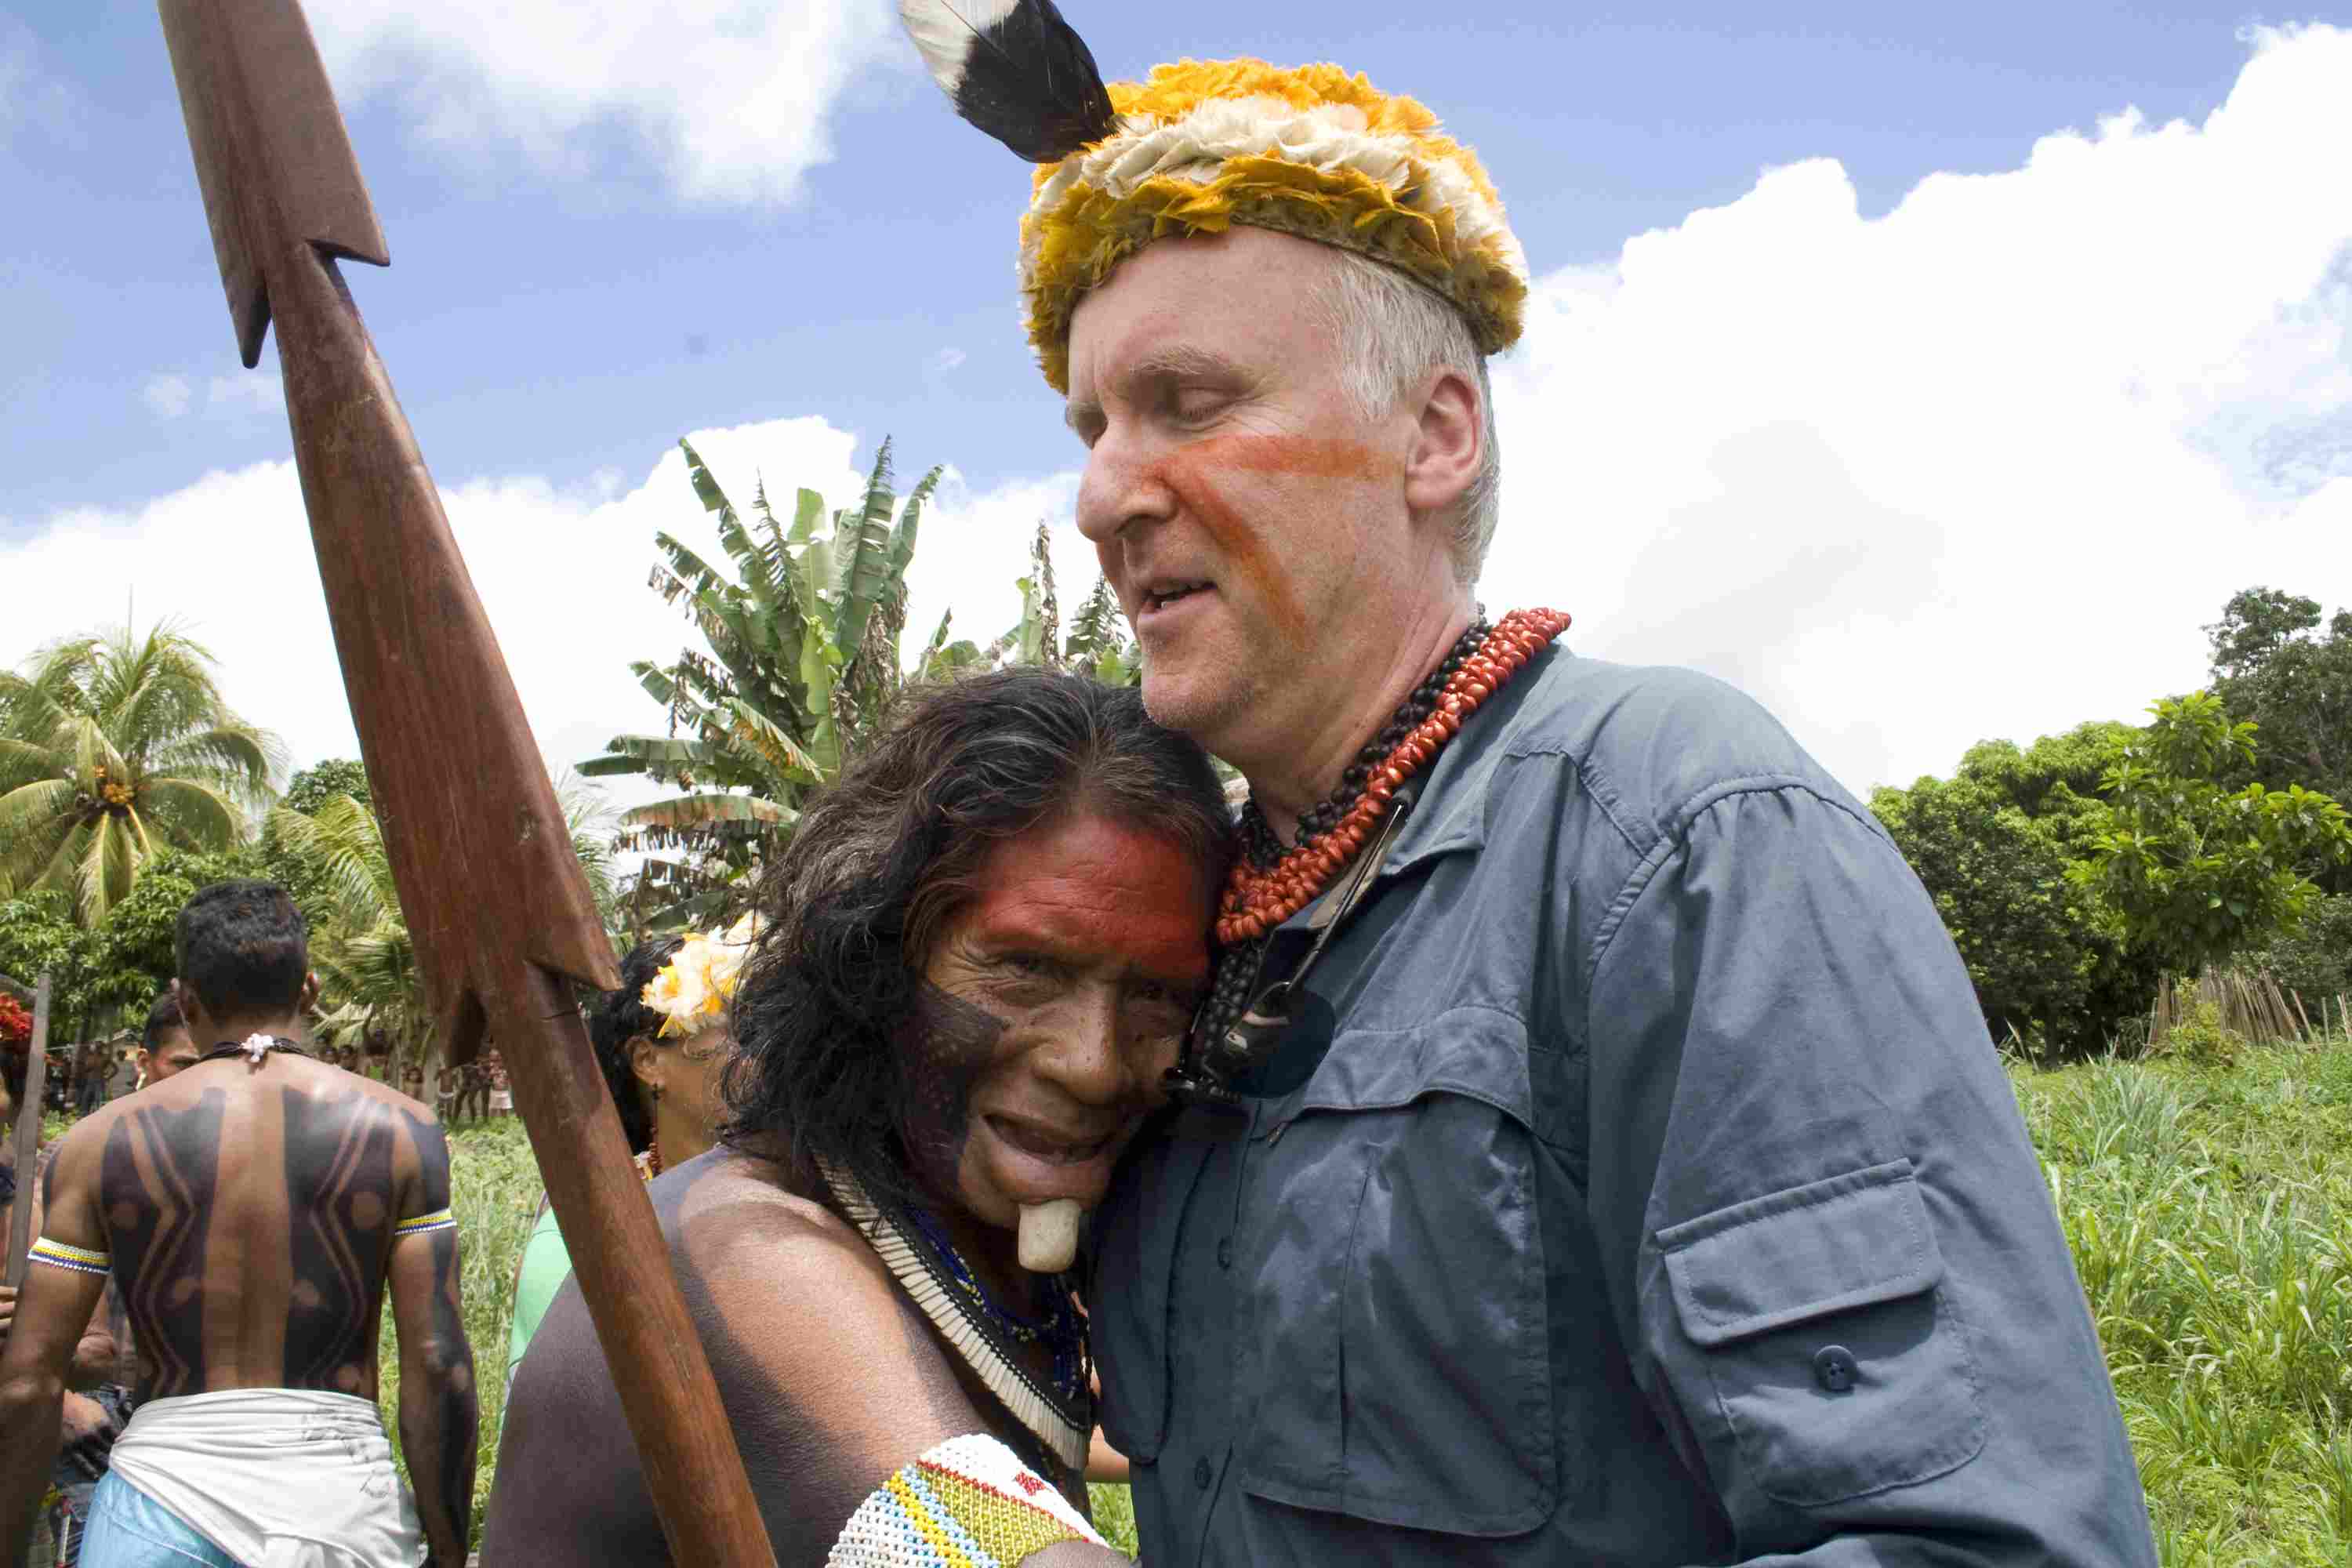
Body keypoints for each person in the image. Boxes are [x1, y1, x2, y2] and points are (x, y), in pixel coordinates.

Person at [893, 18, 2164, 1565]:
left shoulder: (1684, 837)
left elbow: (1979, 1540)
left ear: (1435, 433)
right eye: (1093, 427)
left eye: (1190, 402)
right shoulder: (1174, 953)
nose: (1101, 494)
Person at [481, 667, 1233, 1566]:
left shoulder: (981, 1249)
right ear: (872, 961)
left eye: (1156, 994)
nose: (1093, 1061)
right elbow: (998, 1545)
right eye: (1026, 970)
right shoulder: (749, 1249)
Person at [0, 880, 476, 1568]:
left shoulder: (97, 1144)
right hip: (339, 1508)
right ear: (309, 990)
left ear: (185, 1000)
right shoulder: (402, 1131)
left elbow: (27, 1382)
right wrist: (451, 1552)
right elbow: (437, 1364)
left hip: (158, 1510)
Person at [502, 930, 737, 1384]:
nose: (757, 1055)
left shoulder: (801, 1193)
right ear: (648, 1062)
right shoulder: (584, 1222)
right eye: (735, 1034)